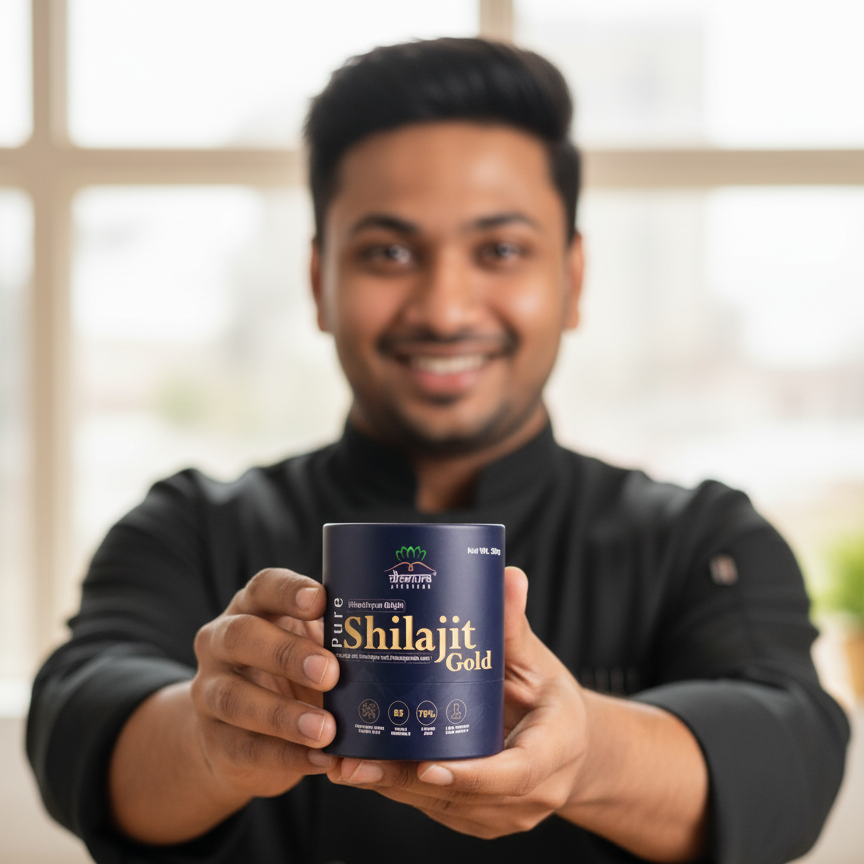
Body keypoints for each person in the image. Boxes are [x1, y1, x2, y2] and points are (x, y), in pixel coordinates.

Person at [28, 38, 848, 864]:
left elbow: (791, 757)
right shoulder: (189, 526)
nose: (445, 309)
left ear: (573, 278)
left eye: (501, 251)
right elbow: (78, 721)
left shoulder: (702, 539)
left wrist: (590, 751)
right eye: (388, 253)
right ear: (319, 281)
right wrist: (211, 740)